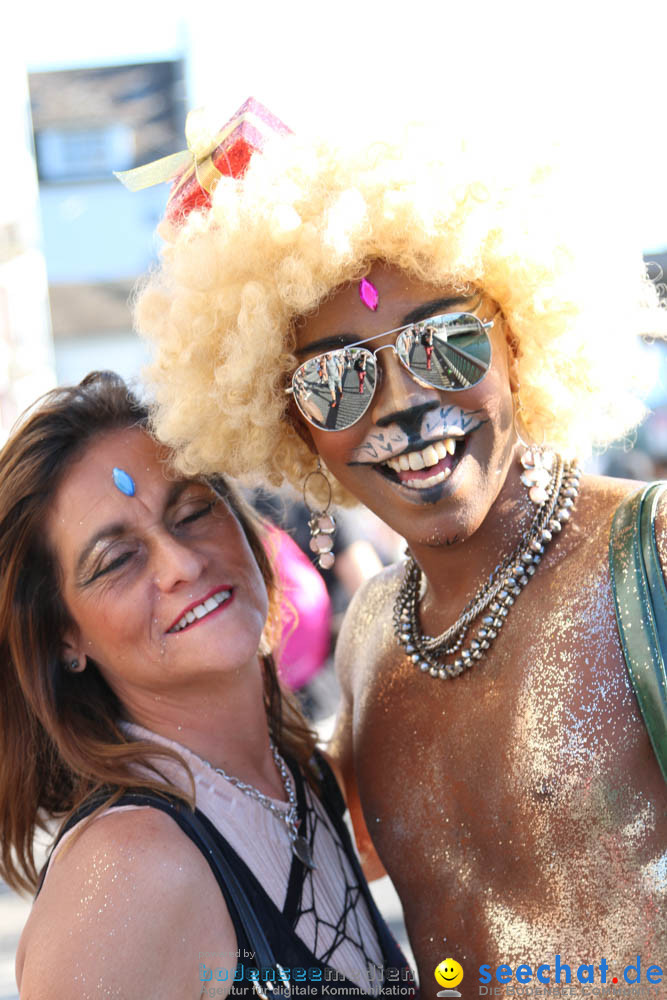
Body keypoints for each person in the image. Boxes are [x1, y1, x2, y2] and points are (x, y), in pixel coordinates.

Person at [135, 122, 667, 987]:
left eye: (446, 342)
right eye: (334, 379)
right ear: (291, 425)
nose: (405, 405)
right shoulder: (372, 636)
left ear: (521, 339)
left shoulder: (651, 556)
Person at [1, 372, 414, 1000]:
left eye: (193, 511)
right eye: (116, 561)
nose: (181, 564)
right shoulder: (126, 876)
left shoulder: (306, 779)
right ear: (65, 638)